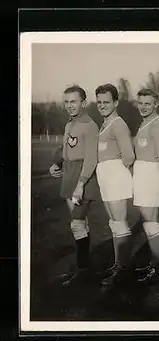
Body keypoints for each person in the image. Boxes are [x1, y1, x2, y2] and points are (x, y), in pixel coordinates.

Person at [48, 85, 100, 286]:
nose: (70, 105)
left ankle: (83, 270)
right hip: (68, 175)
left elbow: (90, 159)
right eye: (67, 102)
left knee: (77, 223)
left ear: (83, 103)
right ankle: (85, 268)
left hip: (82, 177)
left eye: (74, 101)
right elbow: (65, 149)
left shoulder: (89, 125)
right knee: (79, 224)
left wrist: (80, 184)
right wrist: (56, 164)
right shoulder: (70, 124)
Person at [94, 83, 136, 286]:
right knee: (113, 223)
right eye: (99, 102)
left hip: (116, 174)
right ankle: (118, 264)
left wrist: (119, 173)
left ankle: (124, 269)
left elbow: (129, 155)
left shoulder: (118, 123)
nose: (102, 105)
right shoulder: (104, 124)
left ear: (116, 102)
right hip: (106, 174)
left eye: (106, 102)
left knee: (119, 222)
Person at [129, 88, 159, 284]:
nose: (143, 107)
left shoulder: (158, 125)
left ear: (156, 104)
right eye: (141, 103)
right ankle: (156, 262)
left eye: (148, 103)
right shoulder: (145, 123)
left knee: (151, 221)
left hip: (151, 174)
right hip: (142, 173)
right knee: (148, 221)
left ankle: (158, 267)